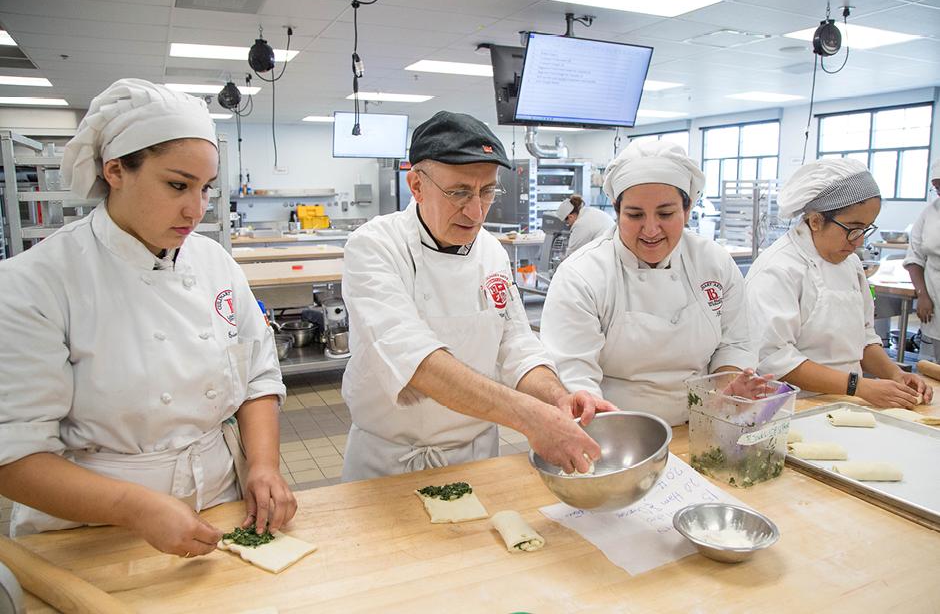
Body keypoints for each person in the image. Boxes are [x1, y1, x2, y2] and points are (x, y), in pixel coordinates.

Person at [0, 79, 295, 555]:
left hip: (219, 503)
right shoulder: (35, 283)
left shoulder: (214, 263)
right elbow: (13, 456)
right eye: (178, 185)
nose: (196, 210)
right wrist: (135, 507)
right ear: (115, 171)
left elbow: (259, 378)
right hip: (90, 528)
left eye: (205, 189)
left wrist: (262, 466)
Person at [340, 111, 617, 481]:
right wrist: (530, 417)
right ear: (417, 186)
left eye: (487, 191)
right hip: (388, 463)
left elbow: (516, 345)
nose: (476, 211)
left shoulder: (491, 251)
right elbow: (417, 363)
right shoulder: (374, 247)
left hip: (476, 457)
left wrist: (557, 398)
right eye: (459, 192)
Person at [540, 140, 760, 426]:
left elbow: (736, 343)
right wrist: (601, 428)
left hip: (702, 427)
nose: (651, 229)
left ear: (688, 208)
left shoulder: (713, 262)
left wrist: (727, 391)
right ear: (617, 211)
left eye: (666, 214)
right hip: (617, 432)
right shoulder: (583, 274)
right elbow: (573, 372)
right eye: (634, 215)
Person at [746, 158, 932, 408]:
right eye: (852, 229)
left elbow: (864, 338)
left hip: (849, 401)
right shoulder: (778, 269)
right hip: (792, 405)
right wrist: (860, 386)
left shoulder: (850, 264)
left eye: (866, 229)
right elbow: (775, 360)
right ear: (815, 220)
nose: (858, 242)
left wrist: (894, 374)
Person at [904, 158, 940, 362]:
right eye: (937, 187)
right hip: (936, 294)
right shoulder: (930, 213)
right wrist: (922, 295)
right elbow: (914, 258)